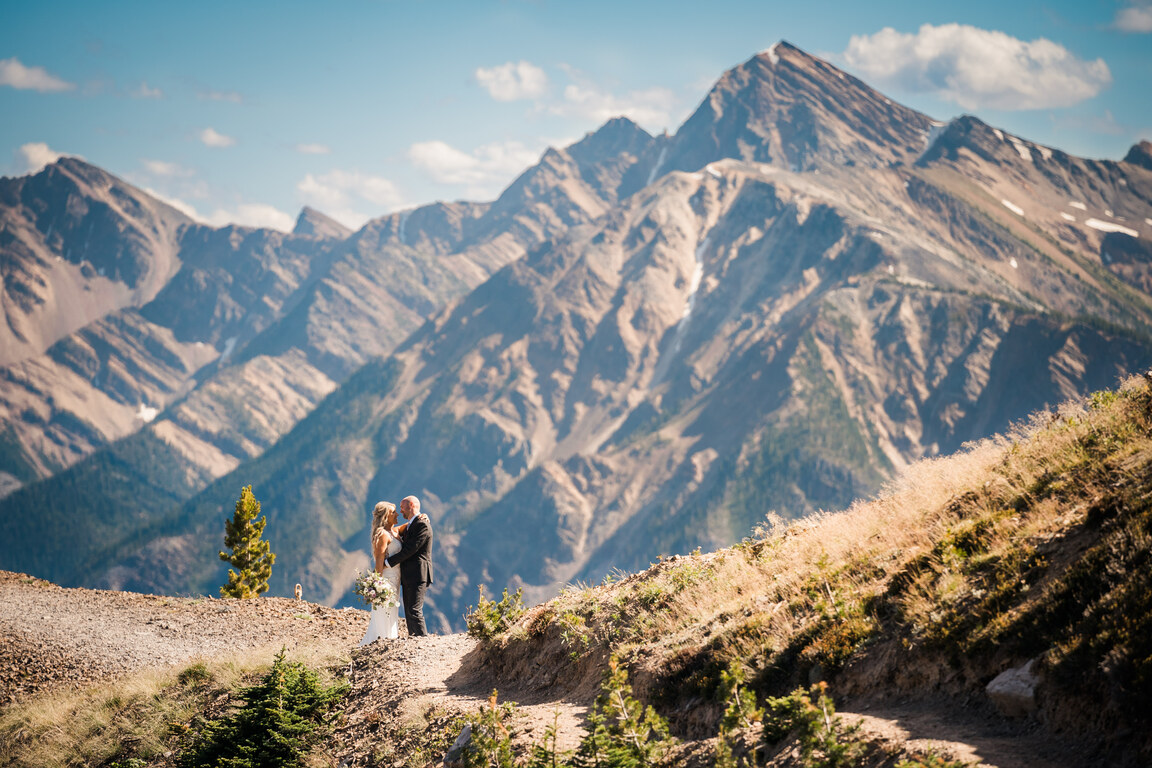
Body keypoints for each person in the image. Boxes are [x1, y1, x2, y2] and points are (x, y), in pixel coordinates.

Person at [383, 495, 434, 636]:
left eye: (402, 507)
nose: (400, 512)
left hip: (418, 574)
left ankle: (422, 641)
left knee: (414, 610)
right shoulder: (413, 523)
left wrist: (387, 563)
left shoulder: (422, 524)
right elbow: (393, 532)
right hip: (409, 574)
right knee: (409, 611)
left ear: (411, 505)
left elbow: (410, 549)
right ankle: (414, 638)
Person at [359, 501, 402, 644]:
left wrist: (422, 515)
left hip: (396, 579)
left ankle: (390, 639)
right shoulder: (383, 535)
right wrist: (378, 587)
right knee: (385, 611)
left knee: (392, 611)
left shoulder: (394, 532)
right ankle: (382, 640)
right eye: (393, 512)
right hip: (387, 580)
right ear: (385, 516)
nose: (397, 514)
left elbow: (410, 524)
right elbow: (379, 563)